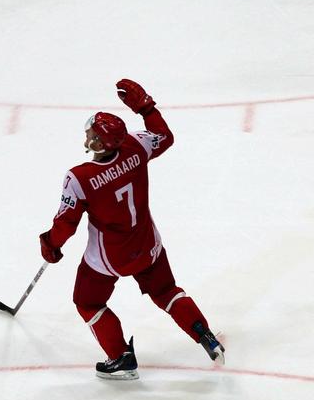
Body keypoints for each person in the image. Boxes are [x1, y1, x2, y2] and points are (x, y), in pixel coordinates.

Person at [38, 80, 225, 380]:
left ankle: (119, 356)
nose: (87, 135)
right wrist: (146, 107)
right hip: (149, 244)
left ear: (99, 143)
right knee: (166, 291)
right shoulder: (135, 146)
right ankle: (205, 335)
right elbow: (164, 137)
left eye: (92, 133)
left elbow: (66, 224)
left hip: (109, 258)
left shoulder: (80, 178)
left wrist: (50, 244)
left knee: (88, 301)